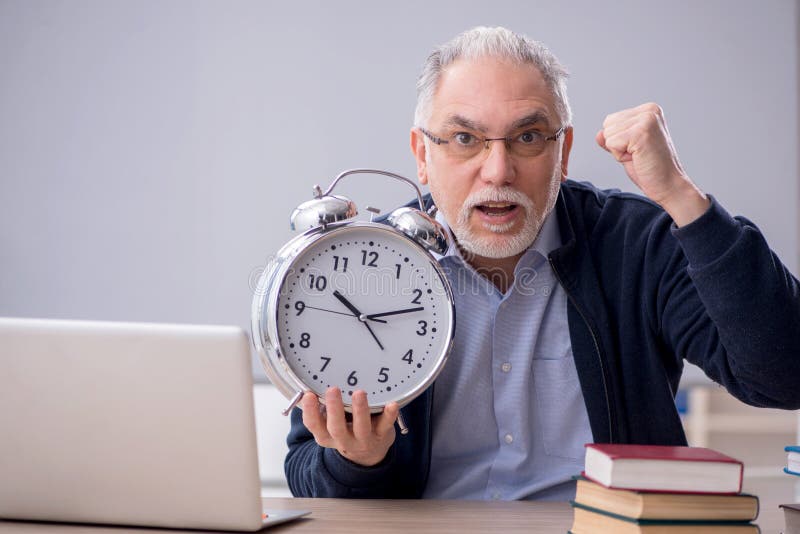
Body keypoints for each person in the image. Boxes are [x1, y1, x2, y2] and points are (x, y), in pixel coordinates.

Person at [284, 26, 800, 500]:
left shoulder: (639, 244)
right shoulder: (363, 262)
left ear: (564, 150)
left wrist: (681, 196)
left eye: (528, 137)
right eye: (465, 139)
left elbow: (783, 377)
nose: (498, 169)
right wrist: (359, 461)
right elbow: (306, 465)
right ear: (422, 153)